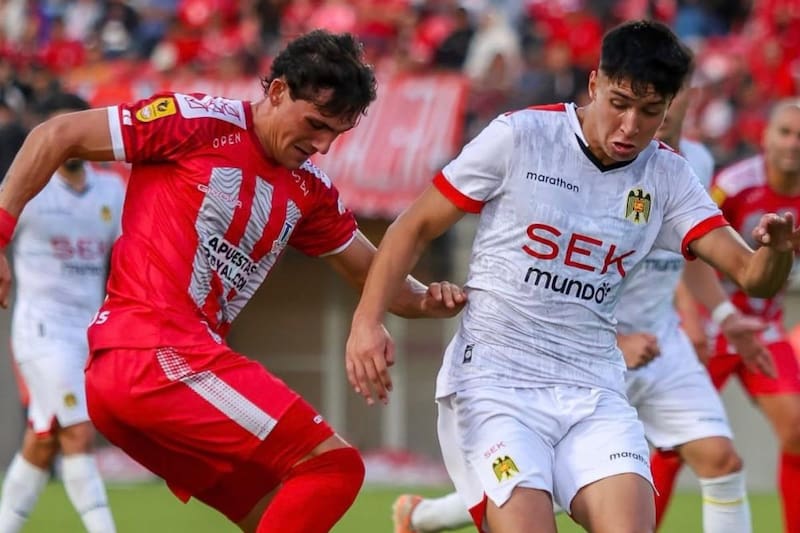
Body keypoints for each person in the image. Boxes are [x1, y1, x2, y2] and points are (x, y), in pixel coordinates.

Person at [0, 30, 466, 533]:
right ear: (277, 91)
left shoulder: (309, 190)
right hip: (156, 358)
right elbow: (55, 135)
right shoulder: (197, 123)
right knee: (334, 467)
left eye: (336, 134)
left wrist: (425, 300)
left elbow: (377, 278)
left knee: (276, 511)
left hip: (132, 381)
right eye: (315, 124)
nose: (322, 145)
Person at [346, 20, 797, 533]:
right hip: (496, 384)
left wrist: (776, 252)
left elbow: (751, 274)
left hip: (594, 388)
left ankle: (425, 519)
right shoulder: (521, 137)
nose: (630, 126)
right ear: (593, 84)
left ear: (669, 109)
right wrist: (367, 321)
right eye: (619, 103)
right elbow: (415, 224)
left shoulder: (669, 175)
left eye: (649, 112)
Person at [650, 98, 800, 533]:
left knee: (797, 430)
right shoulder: (731, 185)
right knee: (674, 442)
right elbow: (689, 247)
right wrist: (694, 315)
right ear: (764, 138)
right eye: (785, 132)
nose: (793, 144)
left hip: (763, 327)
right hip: (710, 323)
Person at [0, 92, 123, 533]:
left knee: (43, 439)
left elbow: (129, 255)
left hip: (87, 330)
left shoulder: (111, 190)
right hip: (41, 329)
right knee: (78, 432)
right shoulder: (27, 189)